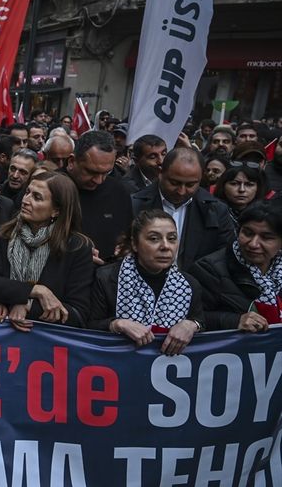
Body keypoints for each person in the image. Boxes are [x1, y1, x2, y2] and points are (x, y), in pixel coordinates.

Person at [0, 171, 94, 331]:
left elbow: (77, 313)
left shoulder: (76, 247)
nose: (25, 200)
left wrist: (27, 305)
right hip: (2, 336)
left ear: (56, 210)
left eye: (37, 197)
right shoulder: (4, 234)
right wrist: (36, 290)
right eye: (27, 192)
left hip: (48, 340)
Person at [88, 210, 204, 355]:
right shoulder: (106, 278)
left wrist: (192, 325)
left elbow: (201, 322)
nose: (165, 246)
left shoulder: (189, 285)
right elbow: (88, 327)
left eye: (172, 238)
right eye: (154, 239)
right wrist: (117, 324)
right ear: (134, 244)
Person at [132, 147, 235, 270]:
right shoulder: (134, 205)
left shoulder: (216, 210)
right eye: (174, 183)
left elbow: (223, 257)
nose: (181, 191)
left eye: (190, 185)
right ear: (160, 173)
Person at [190, 202, 282, 331]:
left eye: (266, 238)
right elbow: (190, 318)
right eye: (248, 233)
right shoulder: (209, 269)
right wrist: (235, 321)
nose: (253, 244)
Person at [65, 130, 133, 263]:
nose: (99, 180)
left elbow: (127, 232)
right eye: (91, 172)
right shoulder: (48, 189)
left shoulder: (118, 190)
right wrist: (75, 255)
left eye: (106, 173)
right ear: (72, 161)